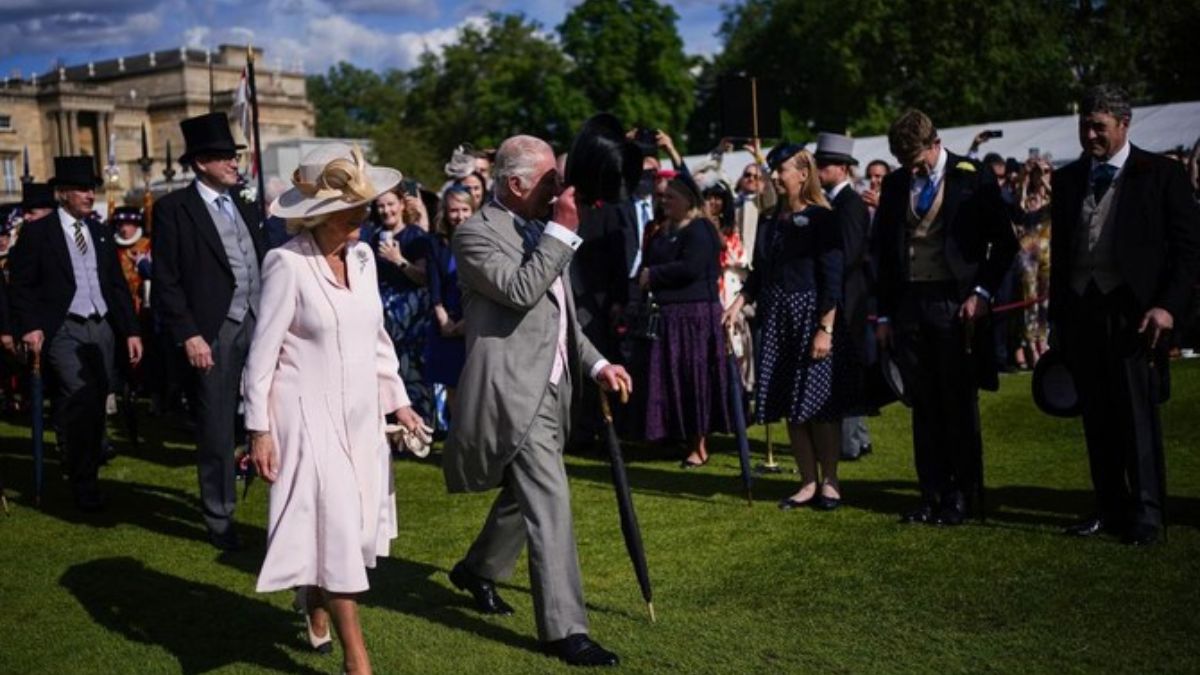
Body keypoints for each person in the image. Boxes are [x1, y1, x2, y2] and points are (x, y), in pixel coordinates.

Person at [442, 134, 631, 667]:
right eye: (550, 181)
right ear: (515, 184)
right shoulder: (475, 234)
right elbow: (523, 290)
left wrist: (598, 363)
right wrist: (563, 231)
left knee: (521, 494)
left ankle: (477, 569)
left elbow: (559, 312)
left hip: (555, 387)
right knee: (551, 502)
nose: (559, 189)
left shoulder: (545, 228)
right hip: (510, 390)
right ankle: (564, 629)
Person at [244, 143, 424, 675]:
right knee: (339, 529)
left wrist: (402, 404)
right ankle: (358, 659)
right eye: (352, 211)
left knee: (349, 527)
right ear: (318, 215)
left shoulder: (365, 257)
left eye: (366, 208)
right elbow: (262, 352)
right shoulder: (286, 264)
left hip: (361, 416)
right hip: (303, 415)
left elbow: (376, 340)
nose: (363, 218)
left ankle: (315, 597)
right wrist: (258, 429)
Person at [1049, 84, 1200, 546]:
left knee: (1137, 416)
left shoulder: (1160, 174)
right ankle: (1108, 506)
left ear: (1124, 125)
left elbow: (1189, 249)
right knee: (1097, 416)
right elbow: (1063, 250)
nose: (1090, 134)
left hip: (1136, 313)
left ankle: (1148, 513)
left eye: (1100, 126)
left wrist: (1168, 306)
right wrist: (1060, 316)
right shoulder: (1069, 178)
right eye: (1085, 125)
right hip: (1082, 308)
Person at [873, 109, 1018, 526]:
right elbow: (884, 251)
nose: (914, 170)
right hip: (910, 306)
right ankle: (931, 492)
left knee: (957, 402)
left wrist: (982, 292)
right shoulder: (897, 183)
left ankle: (962, 494)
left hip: (955, 305)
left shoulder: (972, 176)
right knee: (923, 403)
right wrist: (884, 313)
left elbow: (1004, 244)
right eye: (907, 164)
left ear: (936, 143)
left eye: (919, 161)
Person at [151, 112, 265, 550]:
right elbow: (166, 279)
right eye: (224, 157)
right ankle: (220, 517)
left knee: (273, 415)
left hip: (259, 321)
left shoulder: (246, 203)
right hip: (213, 329)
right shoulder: (173, 210)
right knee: (217, 427)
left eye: (234, 156)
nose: (234, 164)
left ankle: (287, 507)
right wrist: (190, 335)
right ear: (200, 163)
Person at [8, 156, 142, 512]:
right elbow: (20, 286)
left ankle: (83, 459)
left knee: (97, 398)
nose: (89, 194)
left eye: (92, 188)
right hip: (64, 326)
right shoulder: (39, 233)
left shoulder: (98, 232)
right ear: (63, 193)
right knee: (78, 394)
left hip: (101, 326)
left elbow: (115, 285)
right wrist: (30, 326)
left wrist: (130, 331)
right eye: (82, 189)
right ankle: (83, 481)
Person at [724, 146, 849, 511]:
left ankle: (830, 481)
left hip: (812, 315)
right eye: (774, 171)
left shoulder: (823, 219)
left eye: (781, 170)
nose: (775, 177)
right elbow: (759, 274)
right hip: (778, 318)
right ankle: (807, 481)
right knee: (790, 405)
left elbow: (833, 278)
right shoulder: (769, 220)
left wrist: (825, 328)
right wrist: (738, 302)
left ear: (802, 174)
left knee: (818, 407)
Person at [638, 173, 732, 467]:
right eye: (662, 197)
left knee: (695, 380)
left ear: (688, 200)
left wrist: (654, 276)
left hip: (694, 317)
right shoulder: (663, 230)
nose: (664, 202)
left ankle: (699, 444)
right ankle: (676, 436)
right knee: (672, 379)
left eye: (671, 197)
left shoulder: (701, 229)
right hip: (669, 315)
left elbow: (691, 267)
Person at [815, 133, 873, 461]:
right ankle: (858, 438)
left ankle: (848, 442)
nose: (819, 170)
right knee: (847, 370)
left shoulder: (849, 205)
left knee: (845, 370)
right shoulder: (836, 203)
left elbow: (849, 254)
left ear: (843, 168)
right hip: (845, 296)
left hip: (848, 300)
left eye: (825, 165)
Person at [370, 183, 434, 423]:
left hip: (411, 314)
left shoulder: (415, 236)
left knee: (412, 369)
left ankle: (420, 423)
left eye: (390, 204)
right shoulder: (373, 236)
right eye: (381, 206)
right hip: (383, 311)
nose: (386, 210)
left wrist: (398, 260)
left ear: (401, 205)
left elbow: (423, 276)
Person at [424, 185, 474, 422]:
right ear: (445, 212)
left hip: (474, 320)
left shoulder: (481, 242)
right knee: (452, 384)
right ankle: (459, 439)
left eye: (465, 209)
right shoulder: (436, 243)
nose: (460, 216)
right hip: (446, 321)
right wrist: (444, 320)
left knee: (474, 385)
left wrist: (466, 322)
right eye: (454, 210)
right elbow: (434, 286)